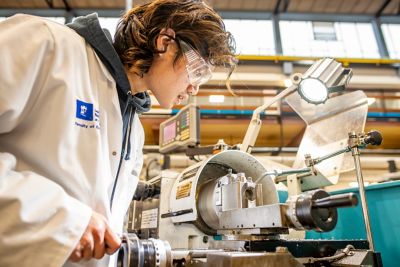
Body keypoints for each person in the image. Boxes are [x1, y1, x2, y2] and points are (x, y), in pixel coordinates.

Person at [0, 0, 235, 266]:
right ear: (165, 43)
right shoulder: (48, 46)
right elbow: (74, 221)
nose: (195, 88)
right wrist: (60, 218)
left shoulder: (133, 129)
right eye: (197, 70)